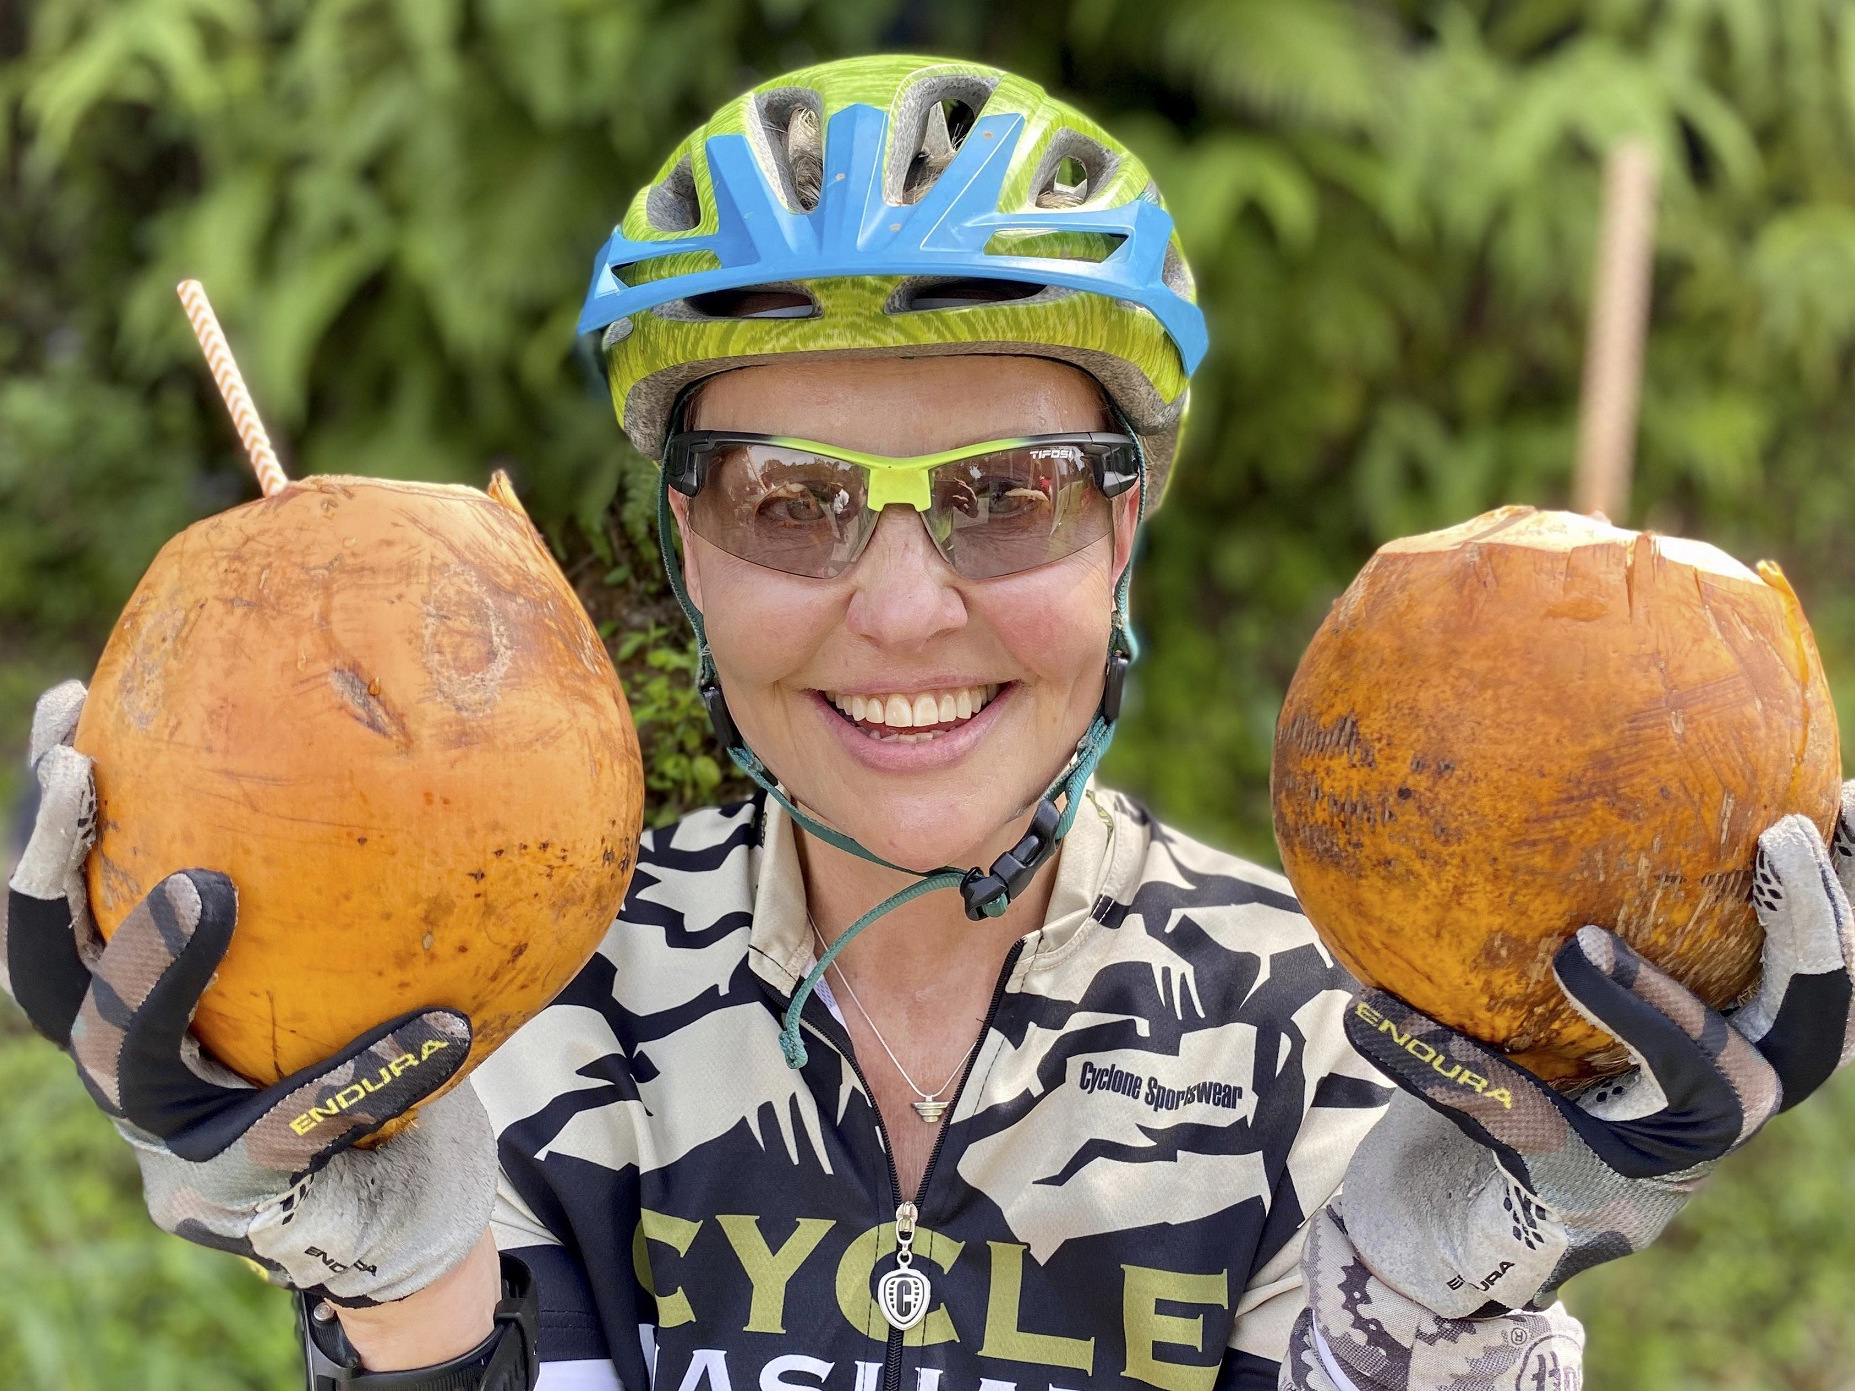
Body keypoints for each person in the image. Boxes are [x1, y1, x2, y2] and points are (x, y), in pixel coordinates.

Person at [6, 55, 1855, 1391]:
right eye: (787, 499)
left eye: (1012, 491)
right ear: (681, 539)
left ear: (1129, 518)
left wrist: (1434, 1308)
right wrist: (397, 1284)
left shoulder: (1359, 1032)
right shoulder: (496, 1008)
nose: (902, 609)